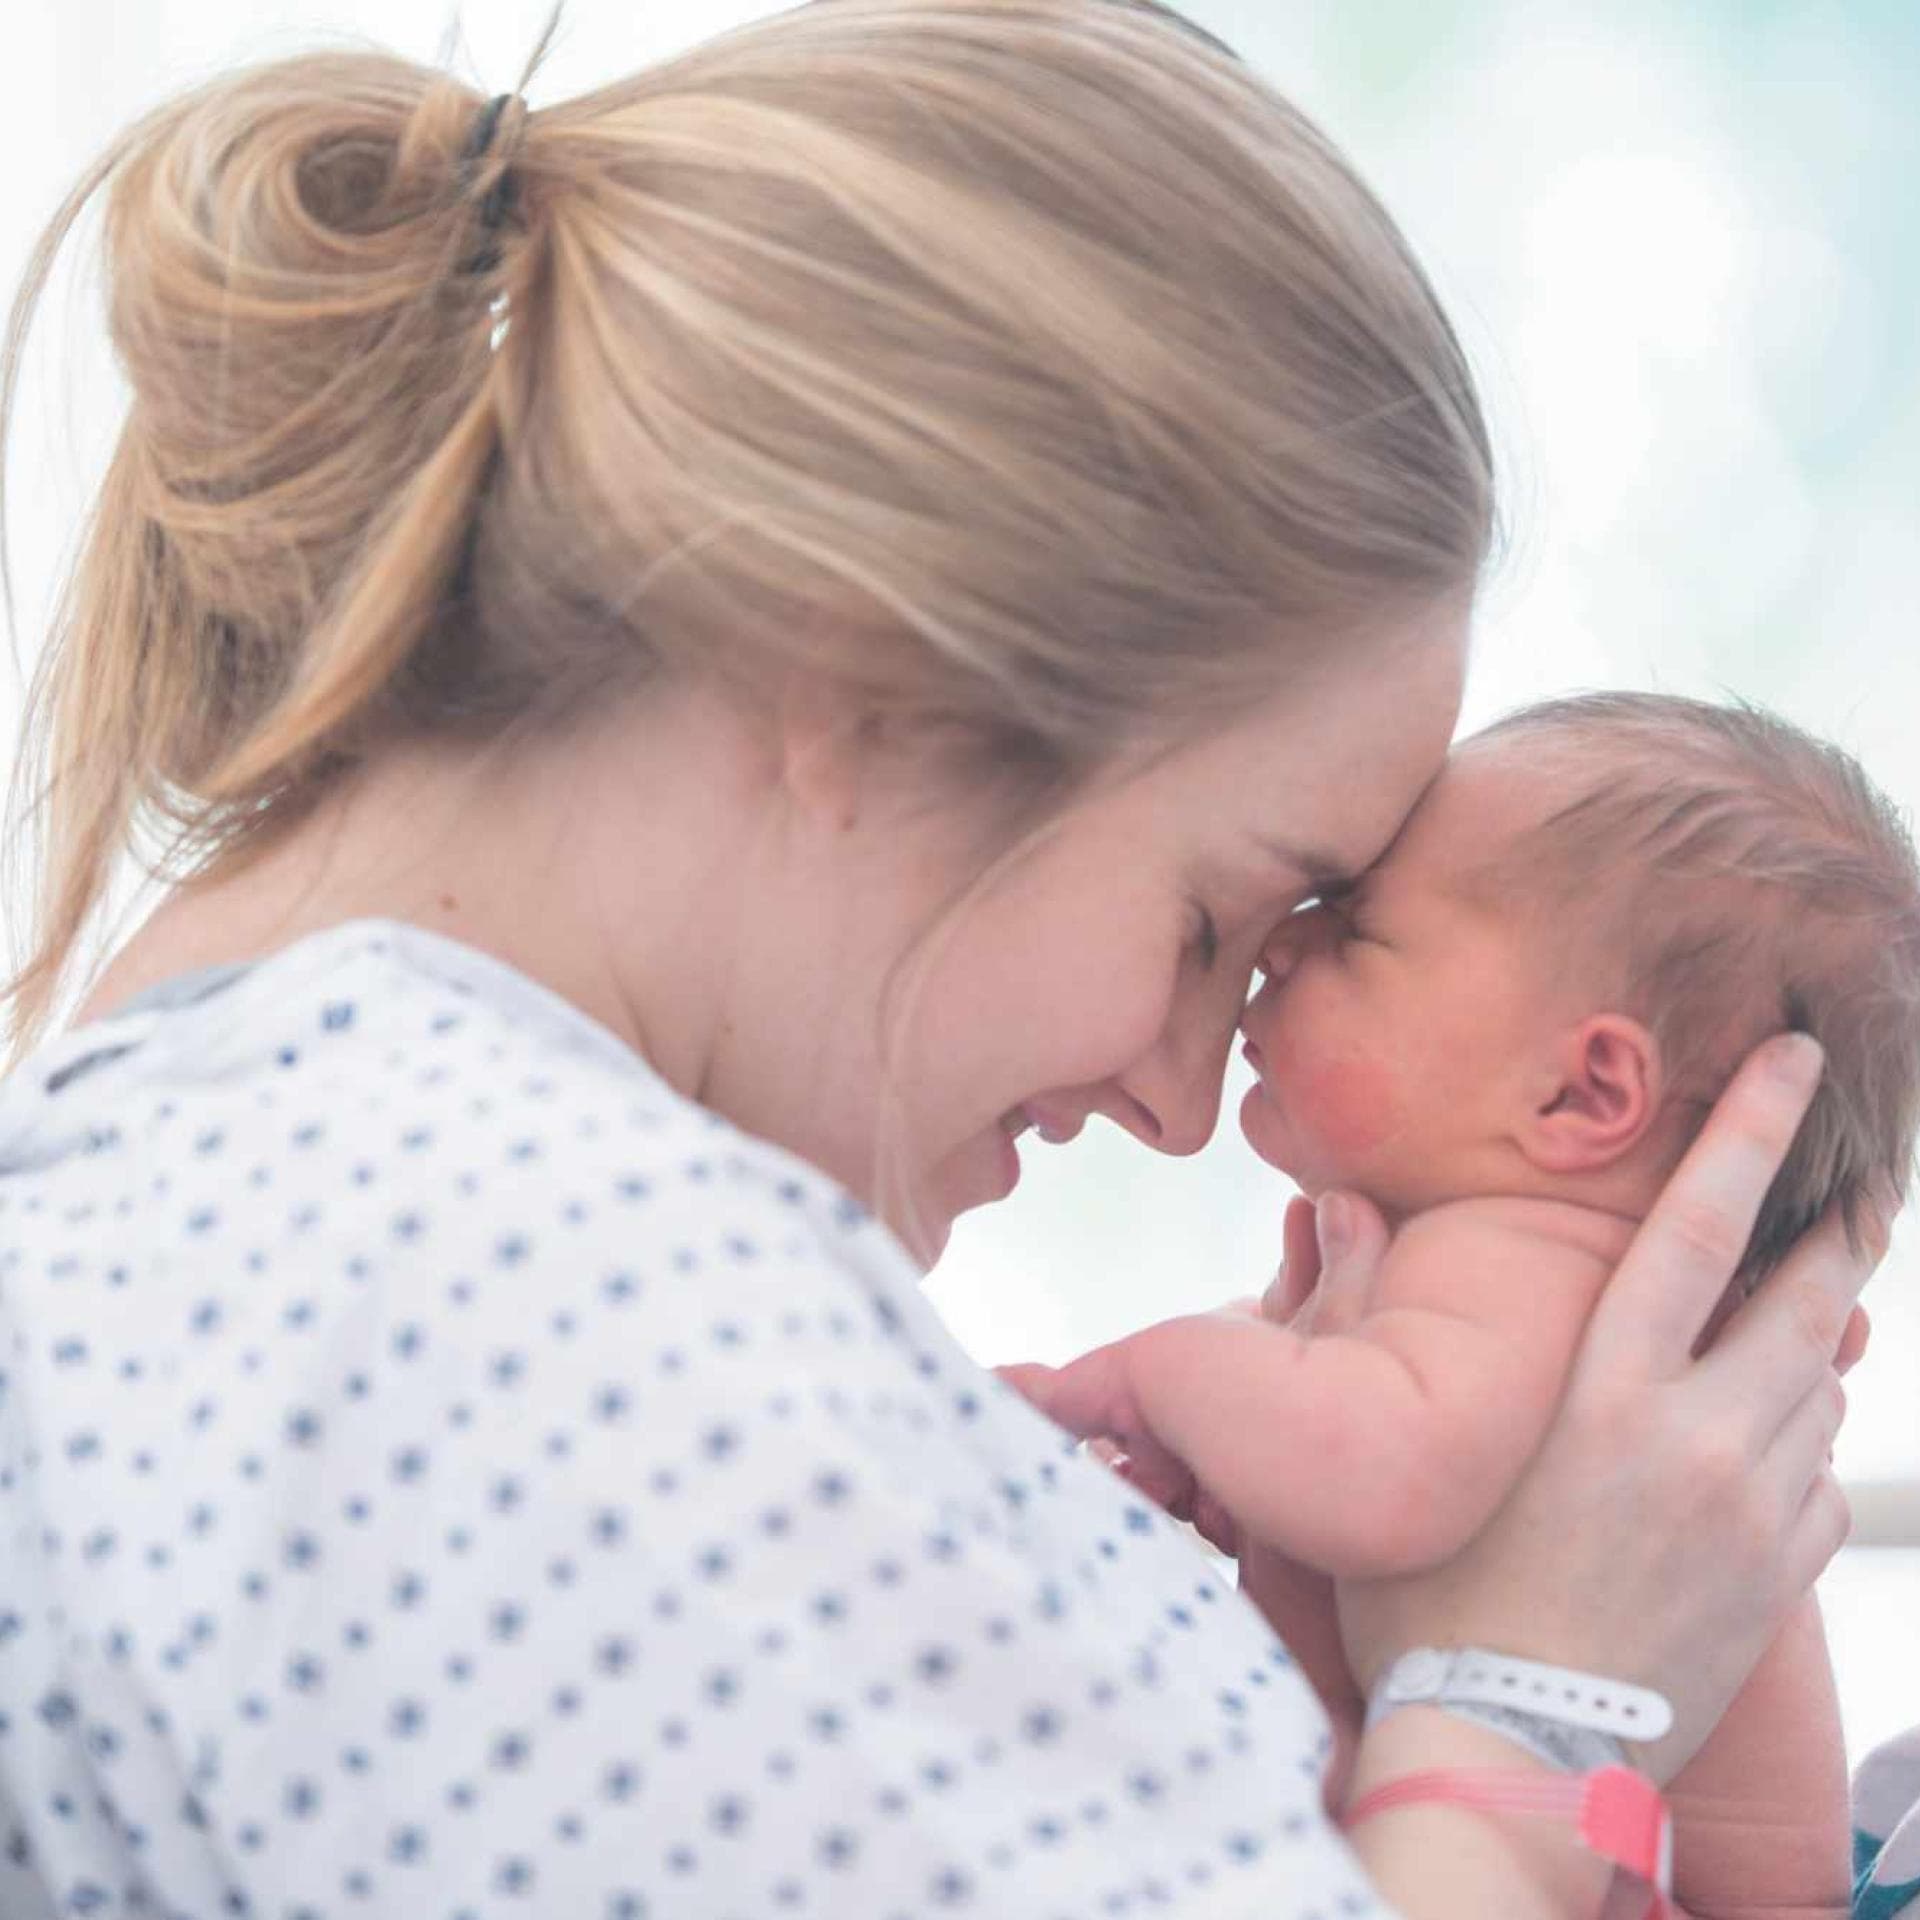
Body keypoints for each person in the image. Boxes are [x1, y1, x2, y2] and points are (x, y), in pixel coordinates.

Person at [0, 3, 1880, 1916]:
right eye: (1211, 920)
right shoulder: (537, 1301)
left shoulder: (291, 1204)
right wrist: (1537, 1712)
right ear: (875, 682)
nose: (1177, 1104)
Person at [1001, 690, 1920, 1919]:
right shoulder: (1506, 1272)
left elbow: (1384, 1475)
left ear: (1586, 1093)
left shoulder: (1533, 1261)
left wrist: (1147, 1377)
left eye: (1362, 931)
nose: (1280, 945)